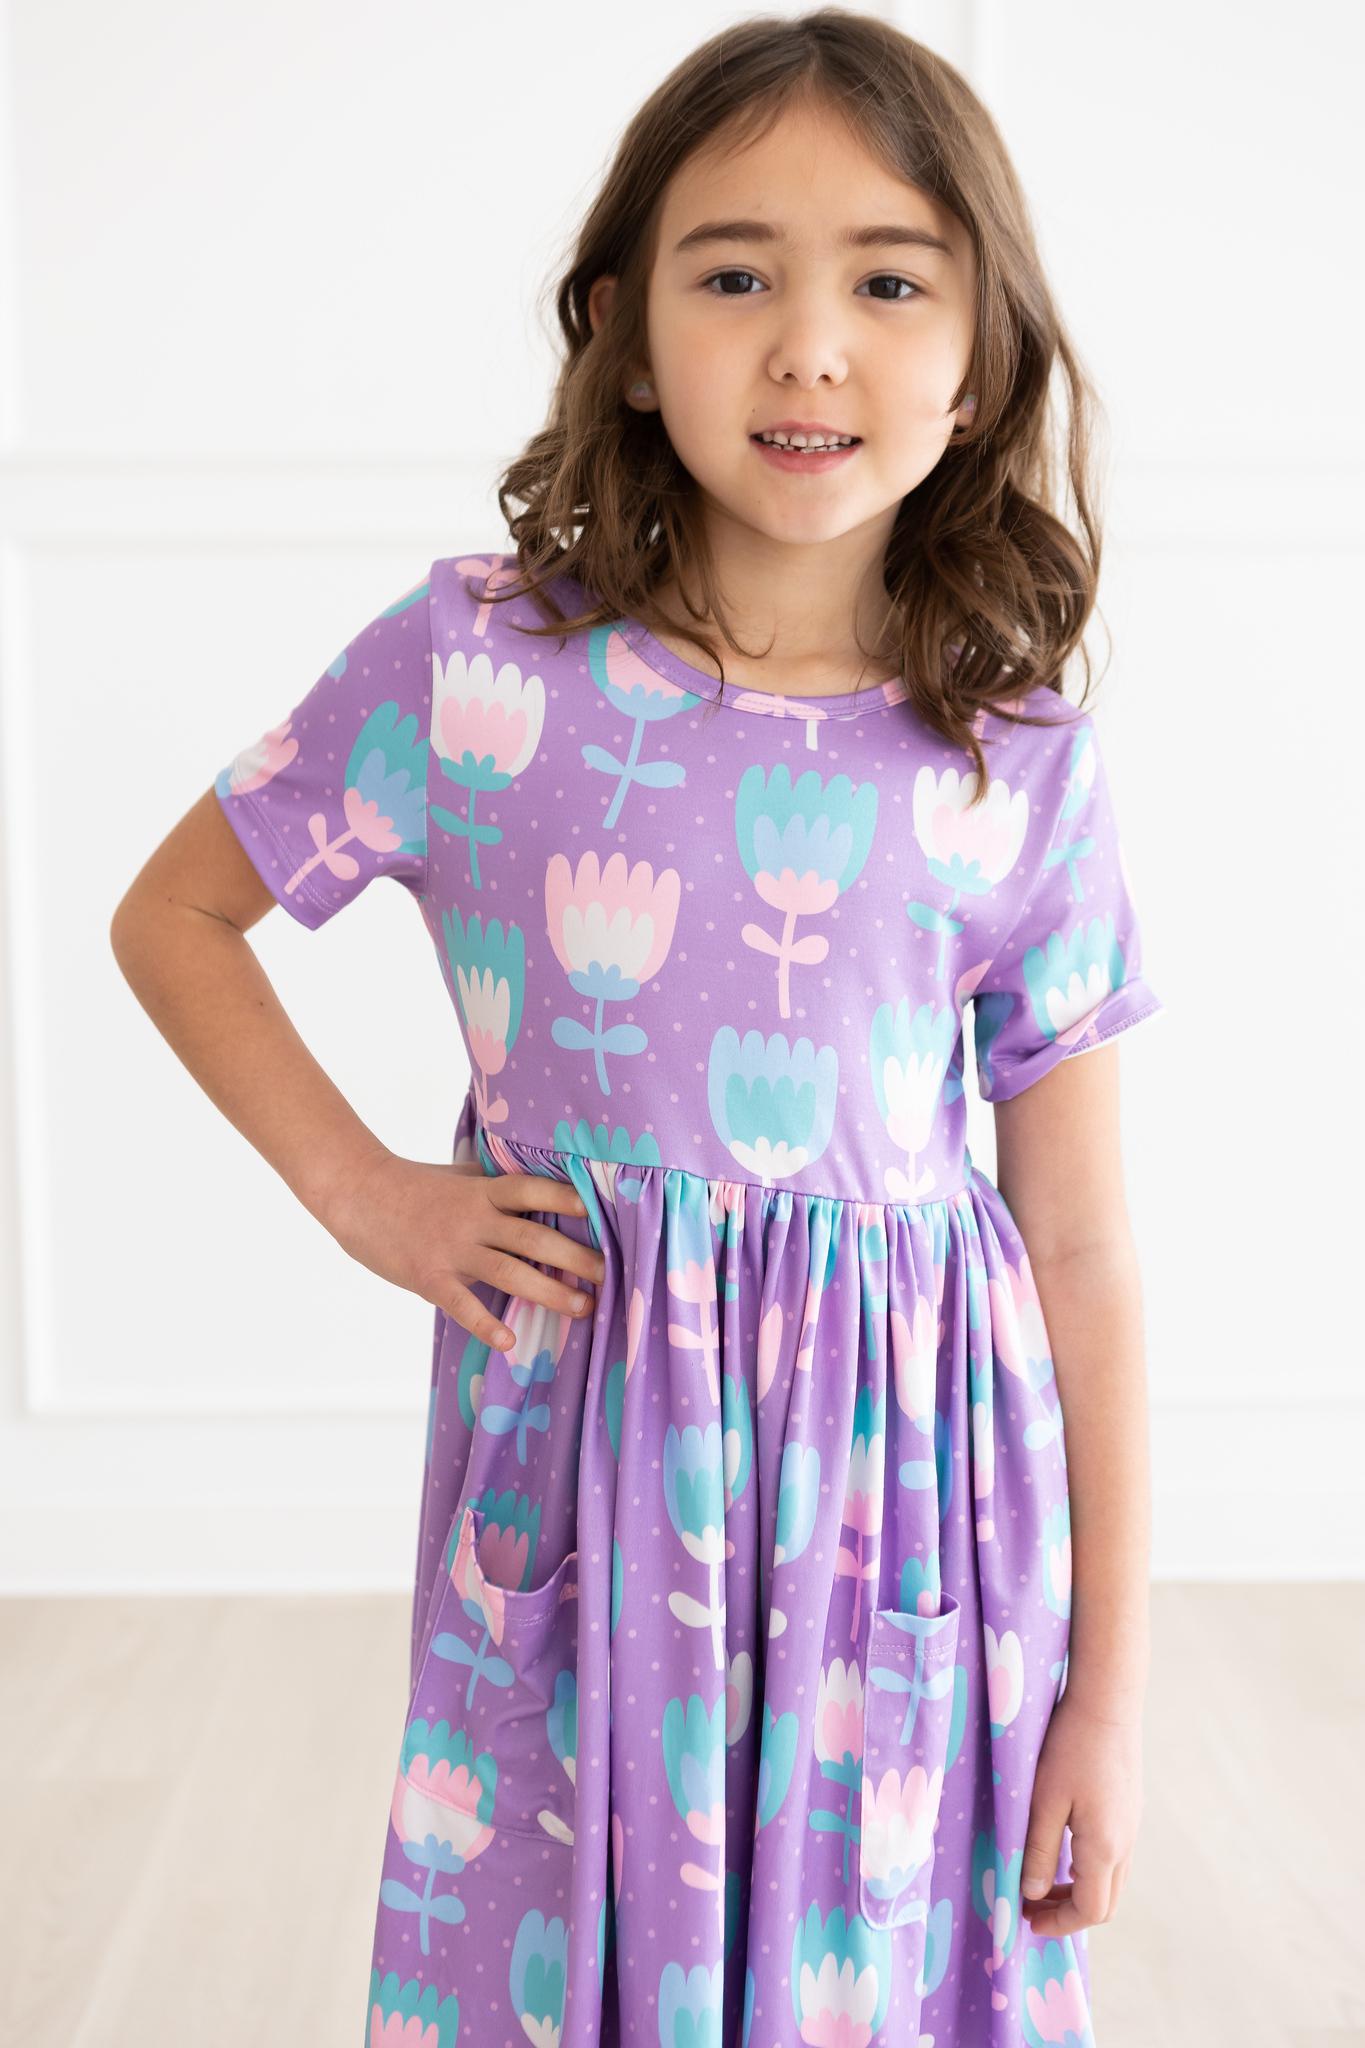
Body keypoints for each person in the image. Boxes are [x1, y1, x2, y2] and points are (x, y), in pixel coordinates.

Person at [110, 12, 1166, 2045]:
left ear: (978, 355)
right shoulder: (477, 671)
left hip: (897, 1528)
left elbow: (1081, 1240)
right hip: (580, 1493)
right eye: (734, 275)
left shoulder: (1011, 758)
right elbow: (175, 915)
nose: (809, 347)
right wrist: (366, 1196)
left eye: (888, 282)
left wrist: (1104, 1694)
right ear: (621, 326)